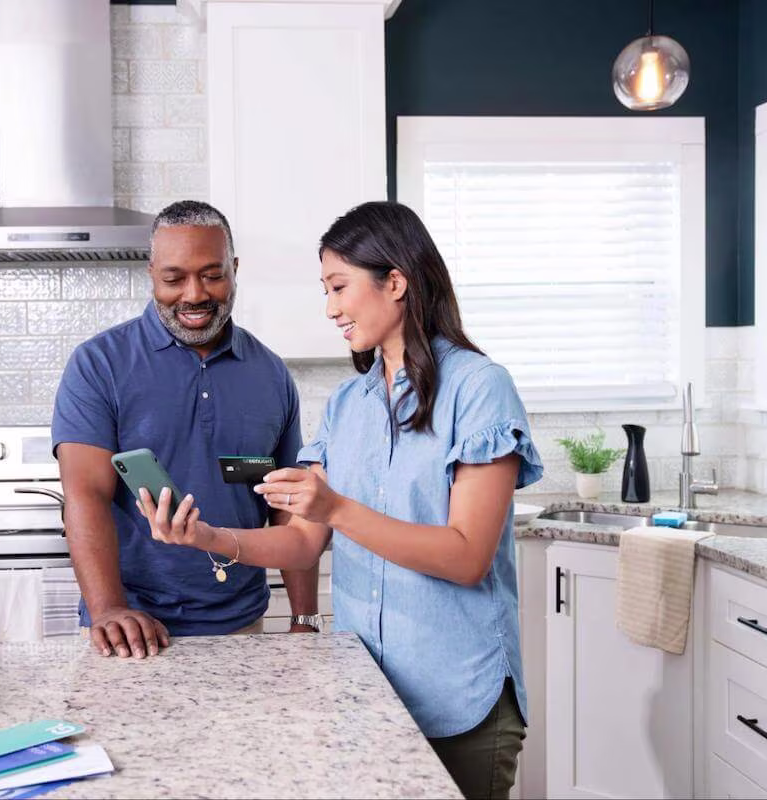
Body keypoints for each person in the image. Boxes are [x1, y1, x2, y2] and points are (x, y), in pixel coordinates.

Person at [136, 200, 544, 799]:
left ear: (395, 282)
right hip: (365, 692)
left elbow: (466, 557)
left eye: (339, 287)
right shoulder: (348, 405)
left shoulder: (479, 388)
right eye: (325, 290)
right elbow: (303, 542)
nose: (330, 308)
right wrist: (206, 538)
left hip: (459, 695)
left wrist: (334, 508)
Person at [52, 199, 321, 661]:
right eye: (174, 279)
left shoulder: (271, 373)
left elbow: (288, 506)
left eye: (212, 275)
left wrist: (305, 618)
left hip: (243, 625)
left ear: (235, 270)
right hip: (131, 632)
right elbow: (86, 495)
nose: (194, 294)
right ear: (151, 273)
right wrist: (109, 608)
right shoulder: (99, 364)